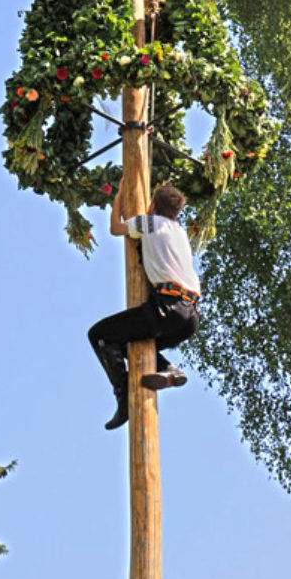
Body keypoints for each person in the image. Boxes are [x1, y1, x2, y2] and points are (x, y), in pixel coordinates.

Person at [88, 178, 200, 430]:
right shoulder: (179, 232)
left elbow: (116, 228)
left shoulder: (149, 222)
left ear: (152, 206)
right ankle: (170, 370)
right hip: (190, 316)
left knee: (99, 336)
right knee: (127, 344)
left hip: (166, 307)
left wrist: (118, 195)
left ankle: (123, 397)